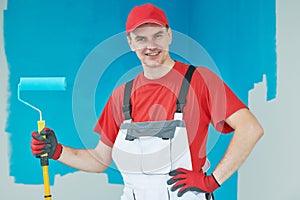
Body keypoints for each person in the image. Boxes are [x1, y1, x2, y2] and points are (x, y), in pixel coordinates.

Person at [31, 3, 264, 200]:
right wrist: (57, 151)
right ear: (130, 43)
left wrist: (213, 181)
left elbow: (250, 128)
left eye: (157, 36)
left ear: (169, 35)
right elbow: (100, 159)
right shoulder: (121, 96)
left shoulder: (199, 80)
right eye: (141, 39)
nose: (150, 46)